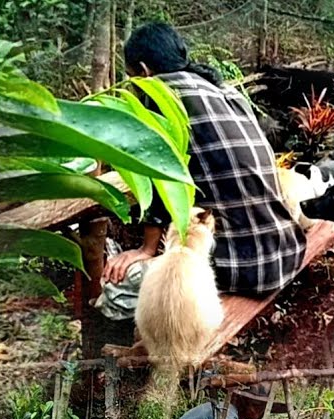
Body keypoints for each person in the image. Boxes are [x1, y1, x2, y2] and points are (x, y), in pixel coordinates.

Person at [102, 22, 305, 302]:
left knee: (115, 289)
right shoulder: (224, 91)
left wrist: (146, 250)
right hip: (286, 251)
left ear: (144, 71)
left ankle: (151, 342)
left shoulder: (160, 98)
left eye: (131, 77)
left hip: (244, 270)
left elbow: (160, 176)